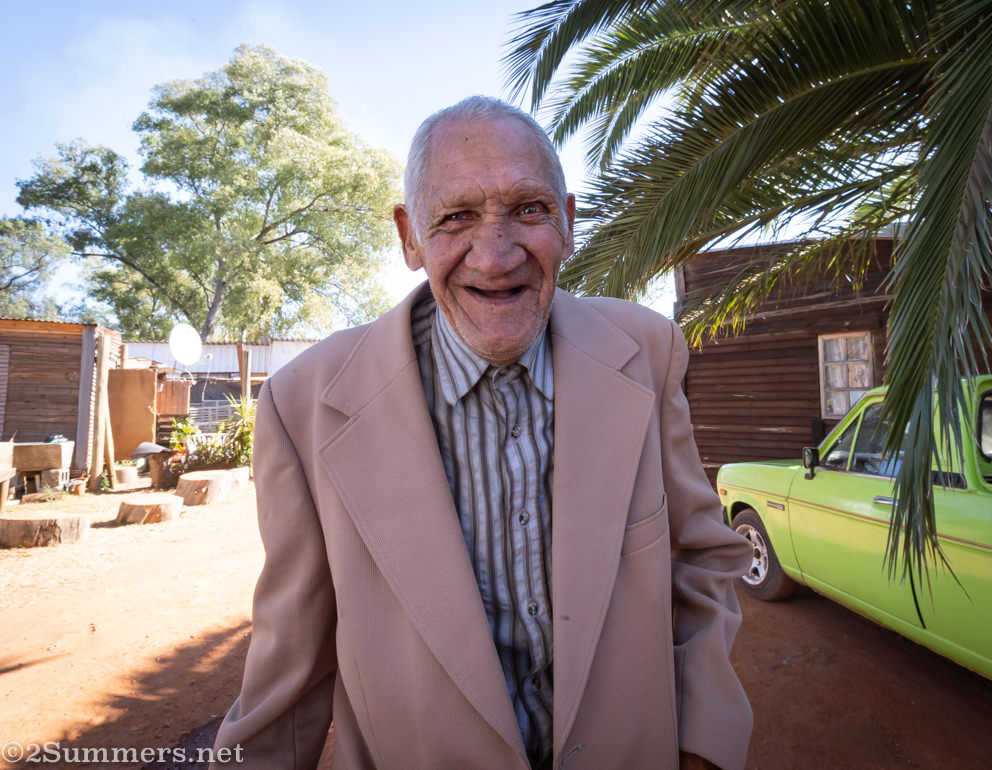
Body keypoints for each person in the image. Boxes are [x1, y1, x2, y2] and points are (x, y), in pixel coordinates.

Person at [211, 96, 752, 770]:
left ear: (569, 223)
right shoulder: (303, 405)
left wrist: (702, 744)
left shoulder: (646, 352)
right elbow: (286, 677)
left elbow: (698, 563)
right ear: (409, 237)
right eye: (456, 217)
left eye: (528, 209)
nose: (495, 258)